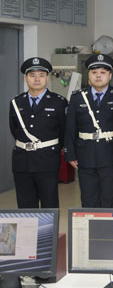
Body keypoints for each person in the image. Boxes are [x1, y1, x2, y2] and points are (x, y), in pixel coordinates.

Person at [65, 54, 113, 208]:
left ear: (110, 76)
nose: (98, 76)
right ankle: (90, 223)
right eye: (94, 72)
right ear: (88, 75)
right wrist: (70, 154)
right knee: (88, 196)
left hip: (111, 154)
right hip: (85, 154)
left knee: (110, 196)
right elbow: (70, 128)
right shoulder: (78, 98)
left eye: (103, 72)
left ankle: (109, 224)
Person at [10, 57, 67, 208]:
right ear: (26, 78)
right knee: (25, 204)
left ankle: (48, 227)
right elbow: (14, 130)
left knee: (49, 203)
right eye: (32, 75)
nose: (37, 79)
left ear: (47, 78)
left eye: (41, 75)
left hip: (47, 160)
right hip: (22, 160)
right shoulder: (16, 102)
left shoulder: (59, 102)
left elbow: (63, 131)